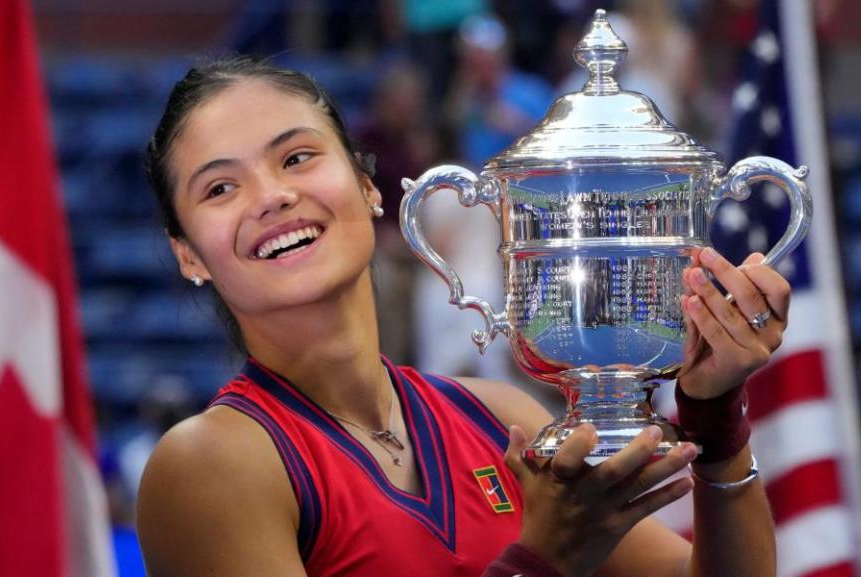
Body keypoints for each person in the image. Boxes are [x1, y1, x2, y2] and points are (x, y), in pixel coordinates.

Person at [136, 57, 790, 577]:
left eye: (297, 157)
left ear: (368, 188)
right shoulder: (207, 464)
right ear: (188, 252)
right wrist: (543, 560)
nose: (273, 196)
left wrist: (714, 414)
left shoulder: (497, 415)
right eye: (220, 188)